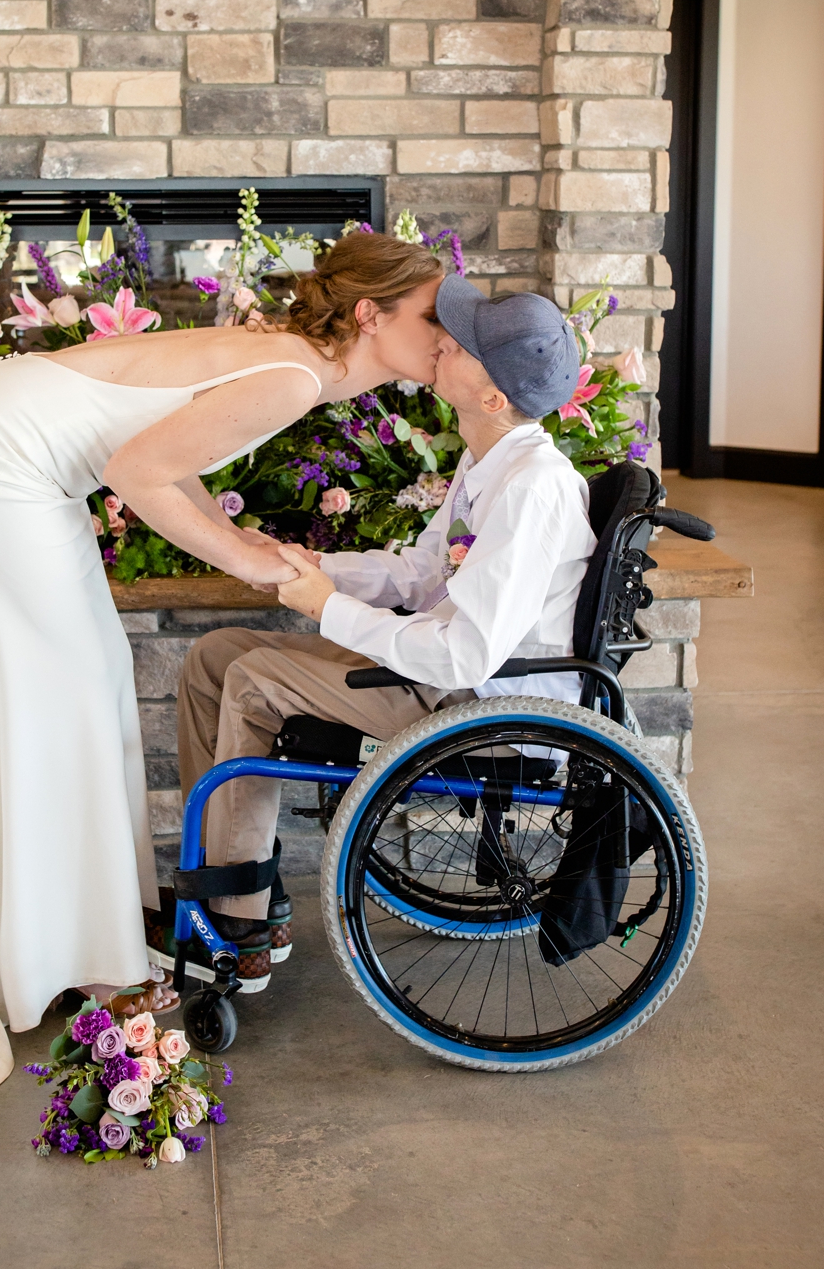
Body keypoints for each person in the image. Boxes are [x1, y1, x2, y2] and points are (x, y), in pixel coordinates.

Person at [0, 232, 448, 1215]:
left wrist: (240, 535)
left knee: (85, 677)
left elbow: (170, 454)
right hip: (5, 462)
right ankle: (65, 951)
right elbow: (140, 470)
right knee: (68, 687)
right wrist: (245, 566)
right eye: (431, 316)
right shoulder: (293, 374)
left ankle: (48, 935)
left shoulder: (300, 361)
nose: (446, 336)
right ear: (372, 316)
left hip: (13, 439)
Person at [166, 277, 594, 987]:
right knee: (216, 657)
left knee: (254, 680)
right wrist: (307, 565)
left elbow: (465, 654)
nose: (439, 342)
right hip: (438, 669)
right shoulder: (488, 458)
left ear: (493, 397)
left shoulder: (532, 489)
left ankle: (236, 925)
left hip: (479, 704)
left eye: (458, 346)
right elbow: (423, 571)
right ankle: (225, 875)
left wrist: (325, 605)